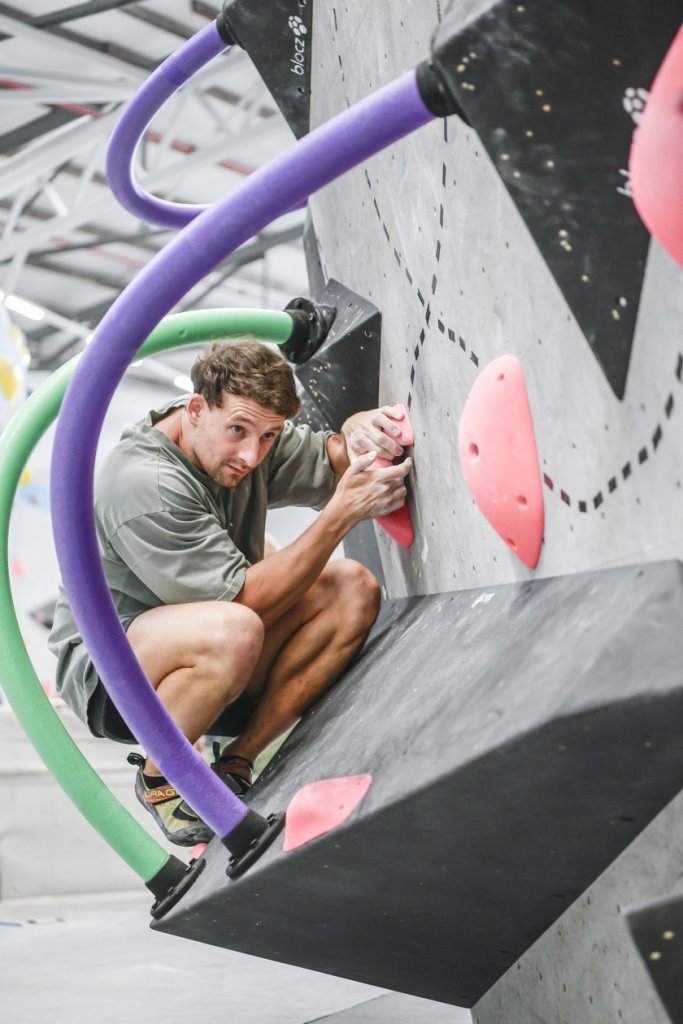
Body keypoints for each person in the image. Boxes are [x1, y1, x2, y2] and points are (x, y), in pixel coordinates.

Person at [48, 339, 412, 846]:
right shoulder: (145, 482)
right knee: (235, 627)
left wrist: (354, 434)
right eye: (238, 430)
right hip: (114, 677)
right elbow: (242, 607)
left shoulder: (245, 439)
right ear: (194, 409)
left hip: (224, 652)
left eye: (268, 436)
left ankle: (238, 761)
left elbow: (328, 458)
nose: (251, 454)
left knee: (352, 587)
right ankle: (160, 779)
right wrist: (339, 515)